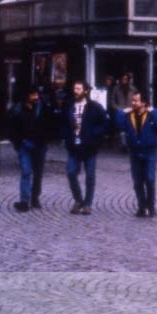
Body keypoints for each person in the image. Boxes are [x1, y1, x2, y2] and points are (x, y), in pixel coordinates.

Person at [60, 79, 110, 215]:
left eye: (78, 89)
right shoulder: (69, 105)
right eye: (74, 89)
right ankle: (78, 200)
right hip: (73, 146)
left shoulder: (95, 107)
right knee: (71, 173)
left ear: (85, 91)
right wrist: (66, 136)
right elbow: (63, 122)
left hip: (89, 147)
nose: (75, 91)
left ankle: (87, 204)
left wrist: (94, 134)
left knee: (90, 176)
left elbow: (105, 124)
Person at [117, 91, 157, 217]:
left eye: (136, 101)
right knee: (137, 181)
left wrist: (153, 111)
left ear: (143, 102)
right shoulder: (129, 115)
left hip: (149, 152)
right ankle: (141, 206)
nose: (133, 103)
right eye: (132, 100)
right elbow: (118, 124)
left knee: (149, 179)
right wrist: (122, 112)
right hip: (134, 152)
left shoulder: (152, 114)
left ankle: (151, 206)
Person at [9, 86, 56, 212]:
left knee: (38, 174)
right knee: (26, 172)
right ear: (26, 96)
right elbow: (12, 128)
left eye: (36, 95)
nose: (35, 97)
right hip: (25, 145)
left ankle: (35, 197)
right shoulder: (17, 109)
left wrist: (45, 139)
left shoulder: (43, 108)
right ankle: (24, 201)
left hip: (39, 145)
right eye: (32, 95)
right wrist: (18, 143)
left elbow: (50, 125)